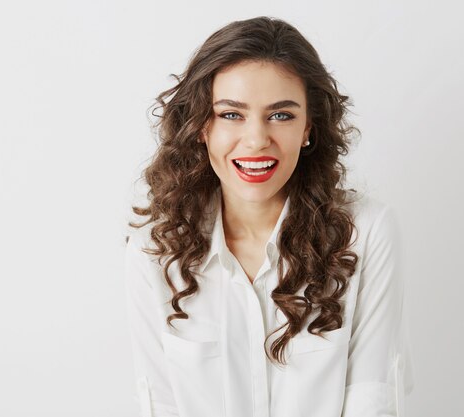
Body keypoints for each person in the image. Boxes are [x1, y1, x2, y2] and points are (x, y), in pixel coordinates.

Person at [123, 16, 414, 417]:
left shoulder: (366, 232)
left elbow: (372, 398)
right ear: (201, 126)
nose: (257, 139)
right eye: (231, 114)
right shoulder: (154, 249)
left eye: (281, 115)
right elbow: (161, 403)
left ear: (308, 127)